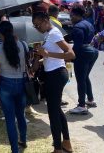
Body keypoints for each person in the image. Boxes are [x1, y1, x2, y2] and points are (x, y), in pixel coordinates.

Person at [32, 12, 74, 153]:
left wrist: (48, 54)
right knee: (56, 110)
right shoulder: (48, 34)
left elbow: (71, 54)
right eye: (35, 26)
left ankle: (58, 148)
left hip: (56, 75)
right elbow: (50, 57)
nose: (37, 28)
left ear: (45, 20)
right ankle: (66, 143)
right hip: (53, 74)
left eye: (38, 25)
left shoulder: (54, 33)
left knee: (53, 112)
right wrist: (42, 56)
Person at [0, 21, 28, 153]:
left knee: (10, 119)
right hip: (22, 82)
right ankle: (23, 140)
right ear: (12, 31)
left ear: (0, 33)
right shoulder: (23, 45)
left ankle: (14, 149)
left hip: (6, 84)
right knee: (21, 114)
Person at [69, 4, 99, 115]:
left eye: (71, 16)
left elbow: (77, 45)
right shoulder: (88, 23)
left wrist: (71, 57)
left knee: (80, 80)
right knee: (85, 76)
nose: (70, 18)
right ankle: (90, 100)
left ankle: (81, 105)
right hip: (93, 51)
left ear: (75, 15)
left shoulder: (77, 27)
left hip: (83, 53)